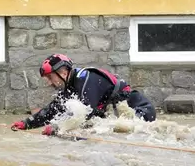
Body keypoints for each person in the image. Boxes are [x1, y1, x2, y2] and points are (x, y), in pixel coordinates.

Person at [11, 54, 157, 135]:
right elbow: (52, 110)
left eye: (50, 77)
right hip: (120, 115)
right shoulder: (69, 86)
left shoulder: (86, 79)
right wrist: (26, 123)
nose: (49, 82)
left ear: (63, 72)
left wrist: (56, 127)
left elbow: (85, 113)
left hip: (142, 112)